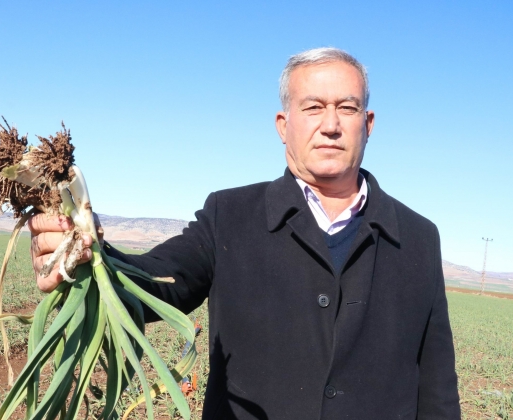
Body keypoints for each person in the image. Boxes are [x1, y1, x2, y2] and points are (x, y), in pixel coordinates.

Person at [29, 47, 461, 419]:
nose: (331, 124)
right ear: (282, 124)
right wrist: (91, 256)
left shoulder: (419, 238)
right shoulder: (230, 215)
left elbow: (438, 385)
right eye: (313, 107)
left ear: (368, 123)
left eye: (346, 108)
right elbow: (159, 280)